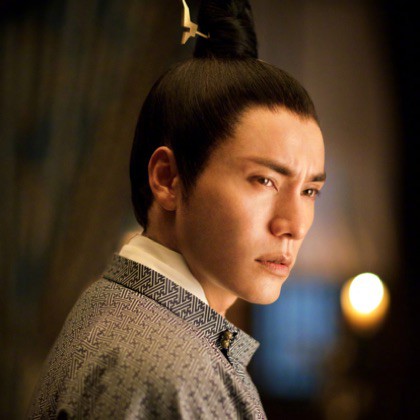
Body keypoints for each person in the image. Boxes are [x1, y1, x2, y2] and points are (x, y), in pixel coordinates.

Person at [28, 0, 326, 418]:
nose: (293, 225)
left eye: (310, 190)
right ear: (168, 178)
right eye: (264, 180)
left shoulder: (114, 306)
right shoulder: (175, 377)